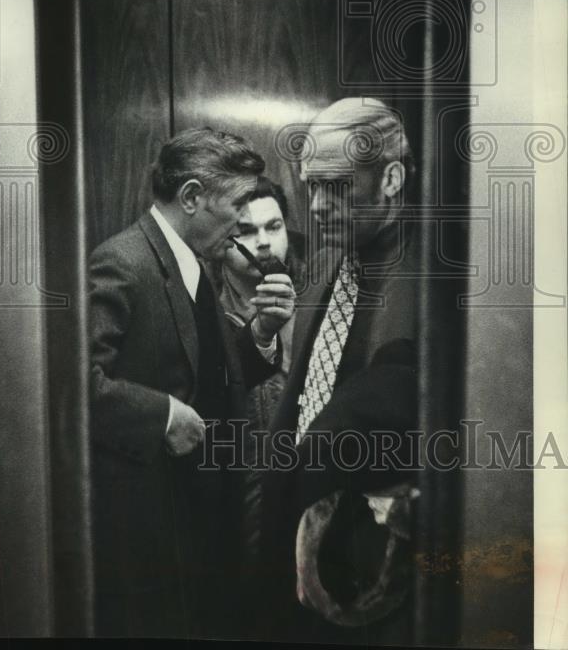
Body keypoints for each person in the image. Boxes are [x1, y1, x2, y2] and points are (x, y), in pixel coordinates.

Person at [88, 127, 295, 639]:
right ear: (192, 197)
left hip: (204, 524)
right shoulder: (123, 261)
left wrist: (262, 335)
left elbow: (213, 379)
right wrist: (161, 415)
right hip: (157, 528)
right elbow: (72, 385)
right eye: (237, 203)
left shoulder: (193, 265)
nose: (242, 219)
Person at [257, 98, 420, 644]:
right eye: (312, 186)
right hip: (297, 561)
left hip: (376, 579)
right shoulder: (328, 259)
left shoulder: (435, 281)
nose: (319, 206)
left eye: (338, 186)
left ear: (391, 179)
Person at [212, 176, 306, 568]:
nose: (264, 242)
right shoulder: (204, 315)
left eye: (274, 226)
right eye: (246, 231)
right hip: (235, 504)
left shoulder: (320, 297)